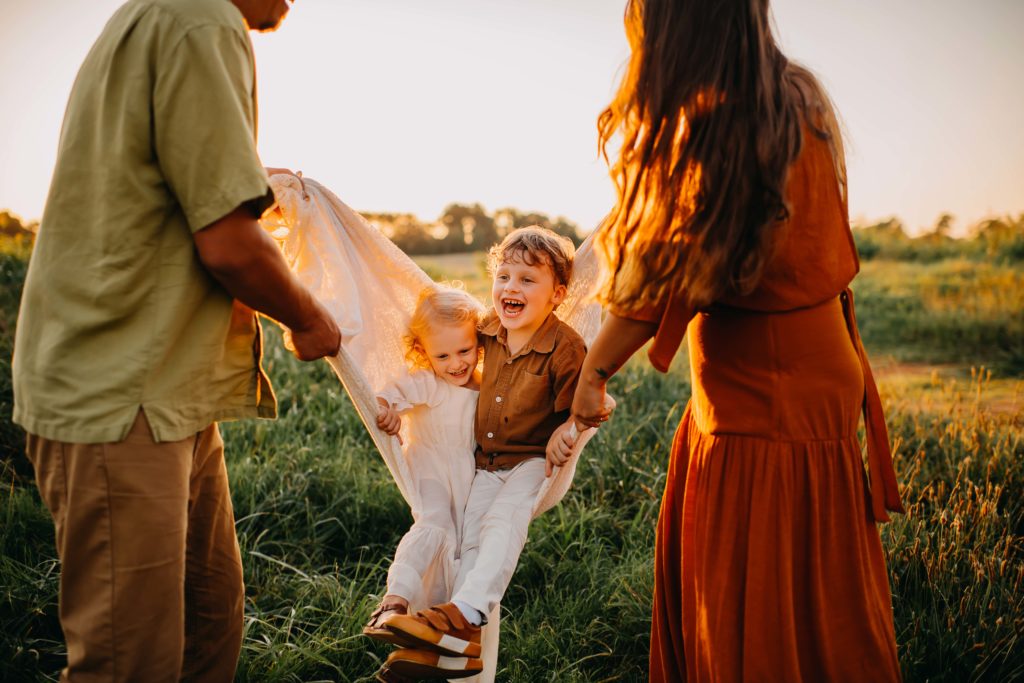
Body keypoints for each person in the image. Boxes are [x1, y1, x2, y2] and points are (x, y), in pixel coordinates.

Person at [571, 1, 904, 681]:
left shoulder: (716, 121)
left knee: (753, 591)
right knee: (818, 587)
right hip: (821, 381)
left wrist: (591, 372)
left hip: (757, 409)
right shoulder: (800, 96)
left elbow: (657, 286)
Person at [11, 0, 340, 681]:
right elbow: (227, 242)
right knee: (131, 663)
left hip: (169, 392)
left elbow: (188, 200)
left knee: (209, 626)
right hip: (119, 391)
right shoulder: (199, 20)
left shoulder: (163, 17)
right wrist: (310, 319)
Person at [379, 226, 587, 679]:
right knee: (469, 544)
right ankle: (455, 644)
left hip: (533, 462)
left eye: (527, 280)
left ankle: (469, 611)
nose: (511, 288)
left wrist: (567, 431)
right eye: (504, 276)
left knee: (501, 526)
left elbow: (587, 402)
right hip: (484, 466)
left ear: (558, 295)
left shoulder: (566, 345)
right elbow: (444, 343)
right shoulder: (486, 331)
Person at [362, 285, 485, 680]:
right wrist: (388, 413)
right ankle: (393, 604)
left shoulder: (487, 387)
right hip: (430, 471)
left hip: (469, 482)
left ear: (478, 343)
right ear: (424, 352)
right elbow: (384, 397)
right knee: (433, 525)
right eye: (443, 355)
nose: (455, 363)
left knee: (466, 554)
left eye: (464, 351)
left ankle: (434, 637)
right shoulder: (427, 382)